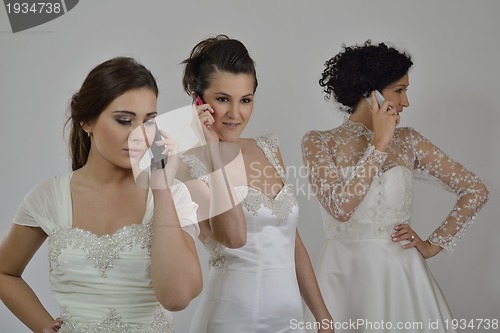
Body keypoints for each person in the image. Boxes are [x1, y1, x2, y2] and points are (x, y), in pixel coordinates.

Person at [0, 57, 202, 333]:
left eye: (149, 121)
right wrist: (43, 326)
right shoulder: (48, 197)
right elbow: (4, 272)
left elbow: (177, 298)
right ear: (86, 122)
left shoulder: (173, 195)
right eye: (124, 120)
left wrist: (162, 189)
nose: (139, 135)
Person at [301, 40, 489, 332]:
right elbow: (340, 209)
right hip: (342, 276)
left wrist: (431, 245)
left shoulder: (410, 140)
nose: (406, 102)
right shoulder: (319, 142)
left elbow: (475, 189)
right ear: (370, 92)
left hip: (400, 276)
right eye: (399, 90)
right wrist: (379, 145)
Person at [177, 35, 334, 333]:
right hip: (231, 320)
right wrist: (212, 149)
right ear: (199, 100)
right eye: (223, 99)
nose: (236, 114)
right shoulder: (186, 165)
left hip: (289, 320)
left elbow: (292, 242)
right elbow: (231, 234)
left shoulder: (267, 147)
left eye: (245, 100)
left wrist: (322, 314)